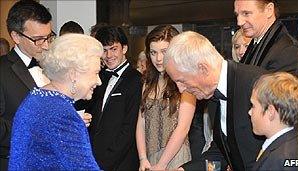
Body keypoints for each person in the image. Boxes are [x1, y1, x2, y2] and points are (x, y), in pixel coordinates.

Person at [164, 31, 268, 170]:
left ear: (203, 68)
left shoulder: (257, 84)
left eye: (181, 81)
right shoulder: (212, 97)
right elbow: (221, 154)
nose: (181, 89)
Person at [8, 34, 103, 170]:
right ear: (74, 74)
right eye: (96, 73)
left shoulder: (36, 98)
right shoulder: (61, 113)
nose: (99, 81)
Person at [0, 1, 53, 170]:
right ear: (16, 36)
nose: (46, 45)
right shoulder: (2, 71)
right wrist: (37, 129)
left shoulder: (52, 66)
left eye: (49, 36)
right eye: (38, 39)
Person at [136, 25, 196, 170]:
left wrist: (162, 164)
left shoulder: (186, 81)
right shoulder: (148, 82)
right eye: (153, 52)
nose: (158, 58)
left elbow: (183, 128)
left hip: (176, 157)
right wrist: (142, 158)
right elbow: (141, 123)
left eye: (164, 51)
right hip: (149, 159)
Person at [87, 25, 142, 170]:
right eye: (104, 50)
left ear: (124, 49)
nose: (109, 55)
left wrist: (105, 162)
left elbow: (129, 129)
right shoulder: (98, 78)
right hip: (95, 158)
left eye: (113, 49)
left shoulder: (136, 80)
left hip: (121, 162)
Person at [249, 72, 298, 170]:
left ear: (270, 112)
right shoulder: (289, 143)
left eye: (253, 106)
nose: (249, 112)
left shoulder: (283, 158)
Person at [234, 0, 298, 76]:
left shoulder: (288, 51)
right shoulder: (256, 43)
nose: (239, 22)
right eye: (237, 15)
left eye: (246, 13)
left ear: (269, 10)